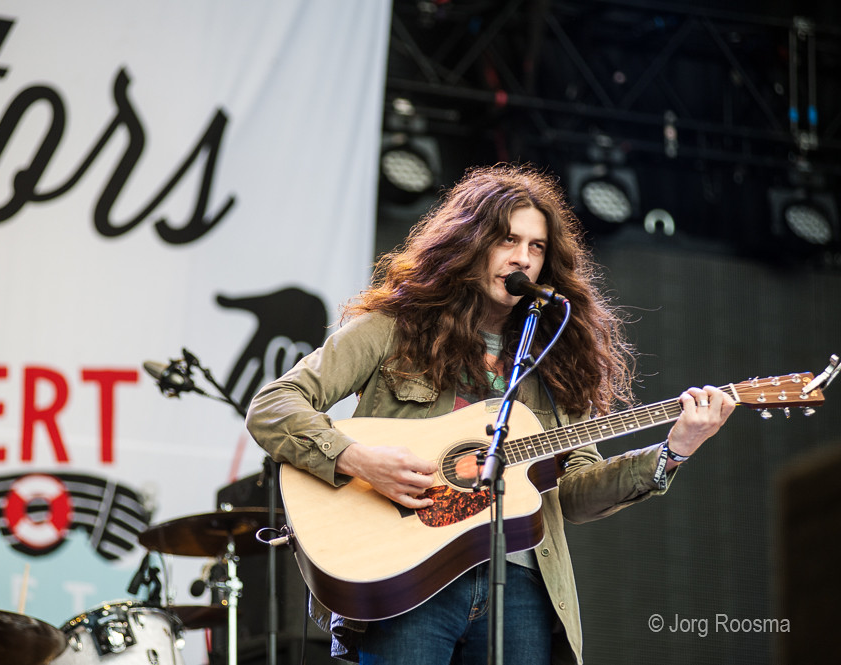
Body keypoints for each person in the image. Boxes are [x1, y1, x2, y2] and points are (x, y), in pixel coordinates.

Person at [245, 163, 736, 665]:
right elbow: (272, 405)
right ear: (471, 242)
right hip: (409, 582)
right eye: (507, 240)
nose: (522, 258)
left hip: (519, 586)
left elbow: (575, 494)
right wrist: (356, 458)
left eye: (536, 247)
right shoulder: (393, 329)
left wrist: (673, 450)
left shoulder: (559, 362)